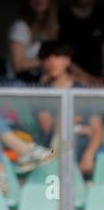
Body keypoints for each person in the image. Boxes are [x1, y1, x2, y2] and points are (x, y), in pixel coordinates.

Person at [33, 41, 103, 178]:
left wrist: (89, 155)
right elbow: (49, 129)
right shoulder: (40, 92)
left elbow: (96, 129)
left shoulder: (82, 90)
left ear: (67, 61)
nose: (52, 62)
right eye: (47, 58)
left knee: (75, 140)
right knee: (67, 139)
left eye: (57, 57)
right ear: (42, 63)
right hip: (52, 148)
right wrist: (78, 125)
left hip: (81, 147)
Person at [7, 0, 59, 83]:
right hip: (20, 82)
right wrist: (46, 62)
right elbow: (17, 65)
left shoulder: (55, 26)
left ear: (50, 0)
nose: (38, 0)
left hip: (44, 81)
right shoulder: (21, 26)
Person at [59, 0, 104, 81]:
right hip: (70, 79)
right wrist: (90, 80)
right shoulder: (61, 15)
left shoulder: (101, 15)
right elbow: (58, 54)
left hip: (99, 81)